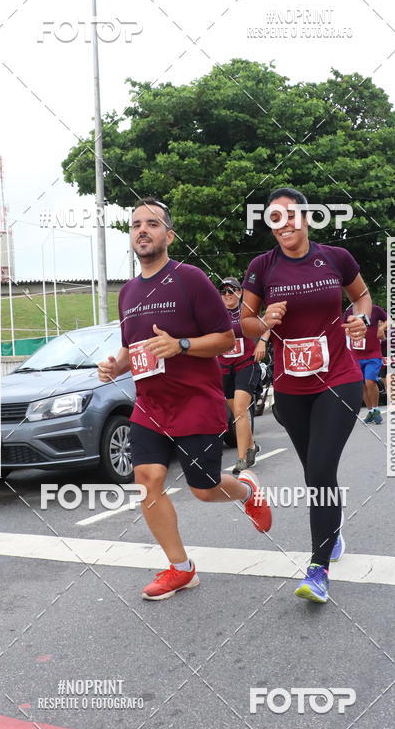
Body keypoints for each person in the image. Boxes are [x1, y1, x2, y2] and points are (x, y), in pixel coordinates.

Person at [97, 198, 271, 601]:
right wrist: (115, 368)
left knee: (204, 488)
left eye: (152, 224)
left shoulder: (190, 279)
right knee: (148, 481)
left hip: (195, 401)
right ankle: (181, 568)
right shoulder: (127, 293)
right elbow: (133, 349)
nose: (142, 230)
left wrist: (182, 345)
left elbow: (227, 338)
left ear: (168, 235)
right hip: (151, 405)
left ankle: (247, 491)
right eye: (136, 224)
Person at [241, 187, 371, 605]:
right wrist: (263, 322)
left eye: (292, 214)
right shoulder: (261, 267)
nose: (285, 223)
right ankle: (331, 528)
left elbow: (362, 297)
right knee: (317, 473)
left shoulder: (335, 257)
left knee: (318, 469)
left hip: (338, 378)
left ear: (308, 217)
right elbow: (243, 324)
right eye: (275, 217)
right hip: (291, 387)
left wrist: (361, 320)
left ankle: (318, 571)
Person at [217, 277, 265, 474]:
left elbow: (266, 325)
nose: (228, 295)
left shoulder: (247, 310)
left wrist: (262, 342)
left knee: (239, 410)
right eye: (224, 292)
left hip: (246, 364)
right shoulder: (215, 314)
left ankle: (242, 458)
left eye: (232, 290)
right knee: (235, 413)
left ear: (240, 292)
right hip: (224, 368)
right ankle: (252, 447)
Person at [342, 303, 387, 424]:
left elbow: (389, 320)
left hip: (373, 354)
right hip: (356, 355)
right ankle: (371, 411)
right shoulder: (349, 312)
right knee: (361, 385)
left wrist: (381, 328)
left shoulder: (375, 309)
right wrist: (346, 330)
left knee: (370, 381)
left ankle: (376, 409)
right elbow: (341, 327)